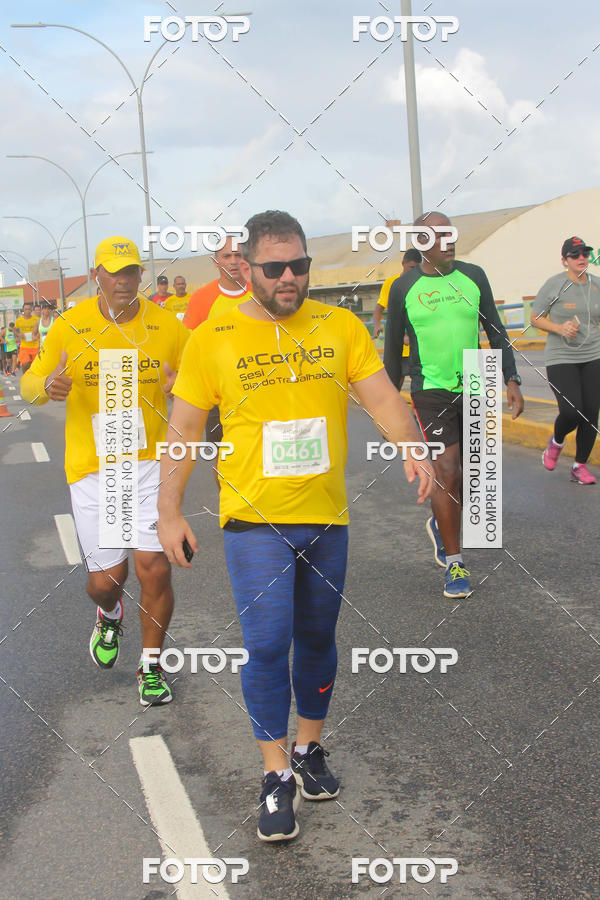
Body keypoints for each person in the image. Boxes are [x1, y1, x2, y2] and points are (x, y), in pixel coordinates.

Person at [157, 210, 434, 842]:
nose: (289, 277)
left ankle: (310, 750)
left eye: (299, 266)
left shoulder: (338, 326)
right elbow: (184, 429)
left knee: (317, 637)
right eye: (275, 267)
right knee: (268, 642)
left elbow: (383, 396)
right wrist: (168, 511)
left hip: (326, 518)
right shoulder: (214, 337)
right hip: (254, 522)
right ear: (247, 267)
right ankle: (275, 772)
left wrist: (411, 447)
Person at [21, 236, 189, 706]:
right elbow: (32, 381)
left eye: (131, 271)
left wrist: (186, 384)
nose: (123, 280)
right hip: (96, 470)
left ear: (140, 275)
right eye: (113, 271)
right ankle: (109, 613)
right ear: (97, 275)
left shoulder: (165, 325)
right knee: (106, 580)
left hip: (150, 465)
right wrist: (46, 387)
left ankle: (150, 668)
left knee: (154, 569)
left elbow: (201, 374)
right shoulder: (72, 325)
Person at [384, 212, 524, 598]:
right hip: (430, 389)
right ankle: (455, 562)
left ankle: (440, 525)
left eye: (451, 233)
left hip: (477, 379)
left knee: (473, 477)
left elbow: (495, 328)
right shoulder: (403, 287)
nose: (449, 240)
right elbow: (394, 349)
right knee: (446, 468)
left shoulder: (474, 276)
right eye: (439, 235)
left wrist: (510, 378)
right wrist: (389, 405)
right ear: (422, 242)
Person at [531, 236, 600, 484]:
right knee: (572, 411)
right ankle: (556, 442)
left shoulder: (596, 285)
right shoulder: (555, 285)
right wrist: (560, 328)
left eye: (585, 253)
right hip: (562, 357)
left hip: (593, 355)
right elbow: (535, 318)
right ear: (564, 261)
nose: (582, 258)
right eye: (575, 254)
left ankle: (579, 466)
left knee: (591, 413)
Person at [183, 237, 254, 456]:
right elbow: (188, 346)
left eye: (238, 255)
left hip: (259, 386)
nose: (233, 261)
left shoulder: (261, 292)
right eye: (227, 256)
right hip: (217, 395)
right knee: (220, 456)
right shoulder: (201, 298)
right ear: (215, 262)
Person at [373, 248, 422, 339]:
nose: (414, 271)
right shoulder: (390, 283)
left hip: (417, 340)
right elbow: (379, 309)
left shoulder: (421, 284)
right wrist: (377, 326)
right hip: (396, 340)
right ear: (403, 264)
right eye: (411, 267)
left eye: (417, 268)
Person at [14, 302, 40, 373]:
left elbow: (41, 329)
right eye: (26, 309)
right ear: (23, 310)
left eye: (29, 309)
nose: (28, 311)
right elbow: (14, 329)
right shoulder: (19, 320)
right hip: (24, 346)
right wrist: (19, 335)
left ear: (31, 310)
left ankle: (32, 379)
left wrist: (36, 336)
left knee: (34, 365)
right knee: (25, 363)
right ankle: (25, 377)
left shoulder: (36, 319)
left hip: (35, 346)